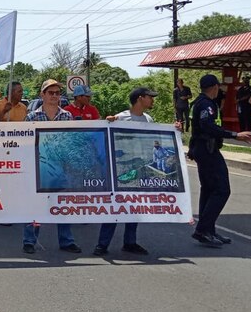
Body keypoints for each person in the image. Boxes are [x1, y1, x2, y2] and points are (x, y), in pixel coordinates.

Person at [189, 74, 251, 247]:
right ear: (215, 87)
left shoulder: (198, 102)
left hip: (202, 149)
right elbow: (206, 126)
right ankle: (203, 229)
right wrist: (235, 135)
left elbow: (195, 127)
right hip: (208, 150)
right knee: (222, 190)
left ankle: (207, 229)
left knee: (209, 189)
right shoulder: (206, 104)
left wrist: (191, 149)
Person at [94, 87, 162, 256]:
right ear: (140, 98)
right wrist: (107, 122)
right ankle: (102, 244)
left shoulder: (148, 119)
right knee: (115, 205)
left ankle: (130, 242)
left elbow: (155, 142)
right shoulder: (121, 117)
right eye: (150, 97)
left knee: (135, 205)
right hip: (121, 167)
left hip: (141, 167)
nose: (152, 100)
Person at [23, 80, 81, 254]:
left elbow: (70, 141)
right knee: (35, 205)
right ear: (43, 95)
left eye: (57, 93)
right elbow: (25, 144)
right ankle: (29, 240)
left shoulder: (67, 117)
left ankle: (66, 241)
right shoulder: (32, 117)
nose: (55, 96)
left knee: (63, 205)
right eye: (51, 93)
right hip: (38, 167)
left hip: (60, 167)